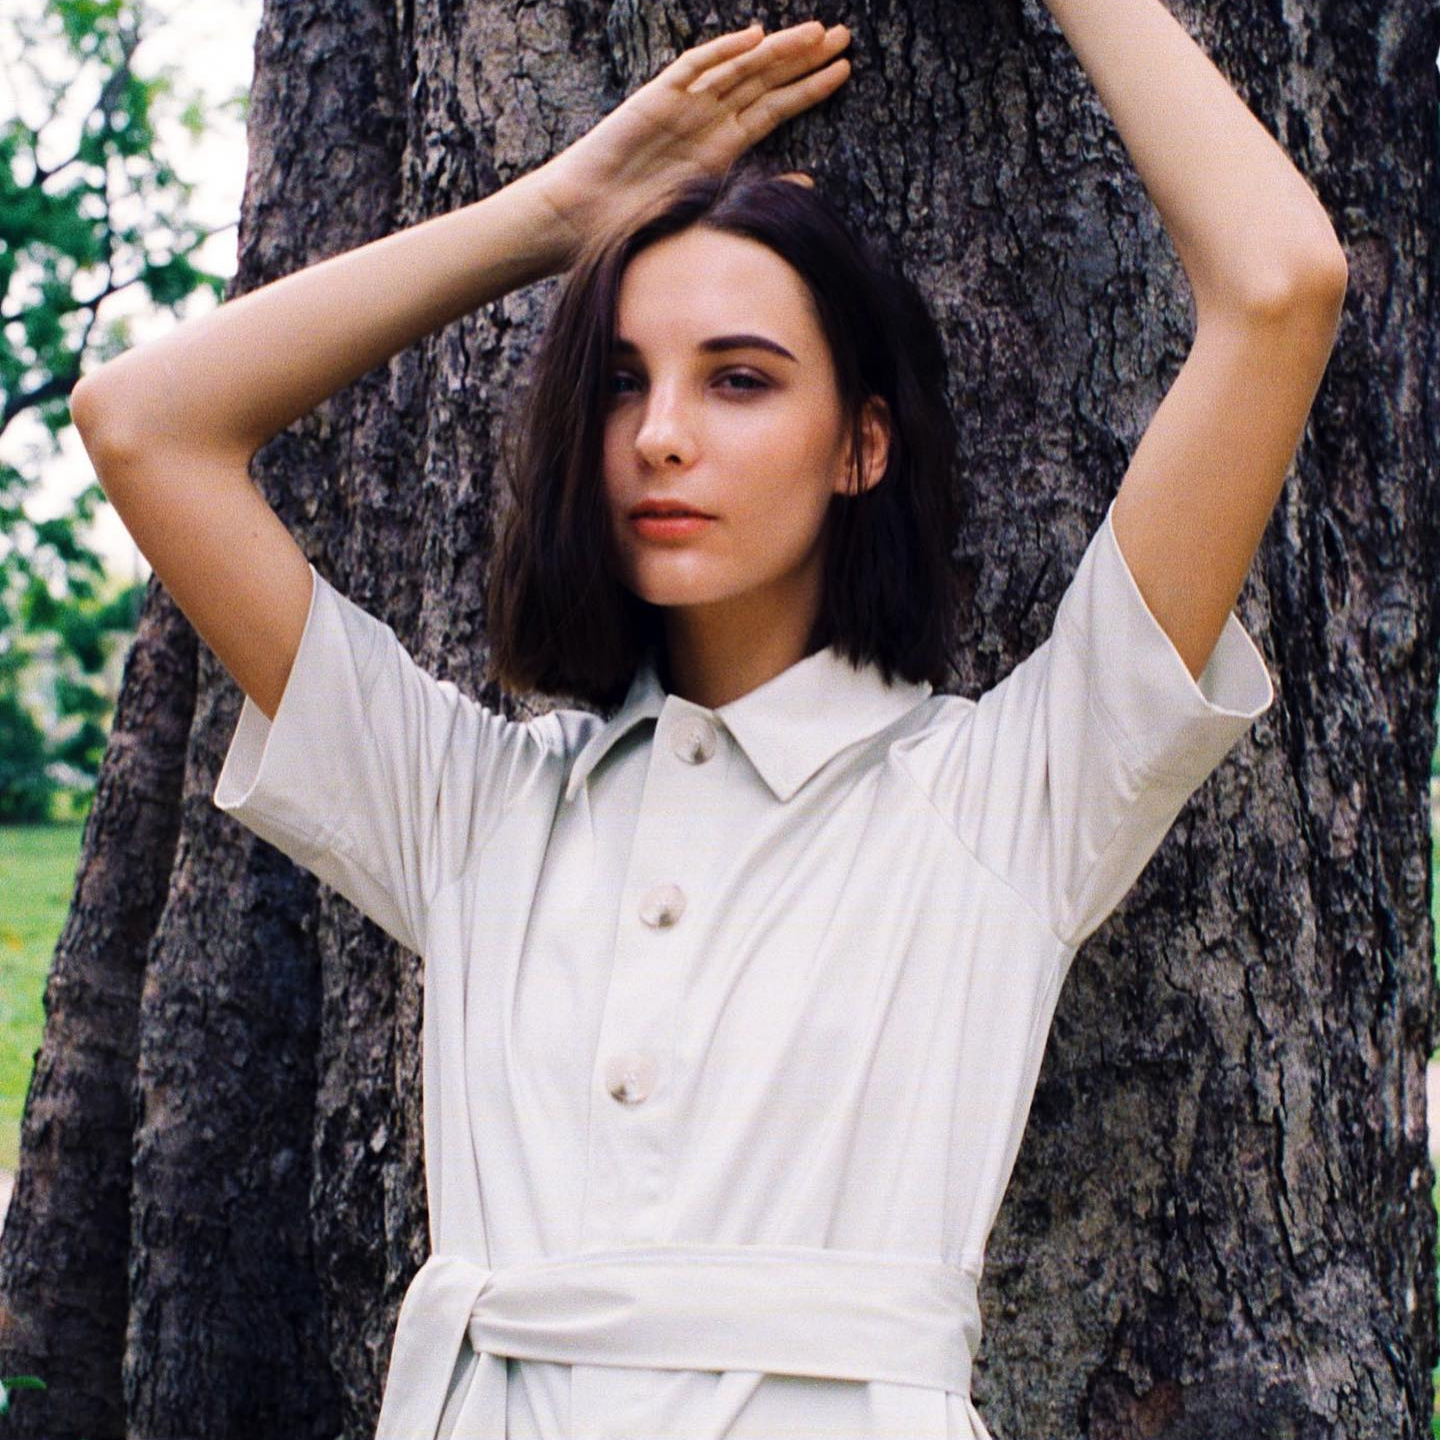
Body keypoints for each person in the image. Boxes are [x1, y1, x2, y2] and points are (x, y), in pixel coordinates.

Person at [69, 9, 1347, 1439]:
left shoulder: (1008, 798)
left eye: (738, 379)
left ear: (865, 442)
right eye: (623, 380)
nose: (661, 434)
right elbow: (144, 423)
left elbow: (1281, 287)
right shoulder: (477, 808)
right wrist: (555, 217)